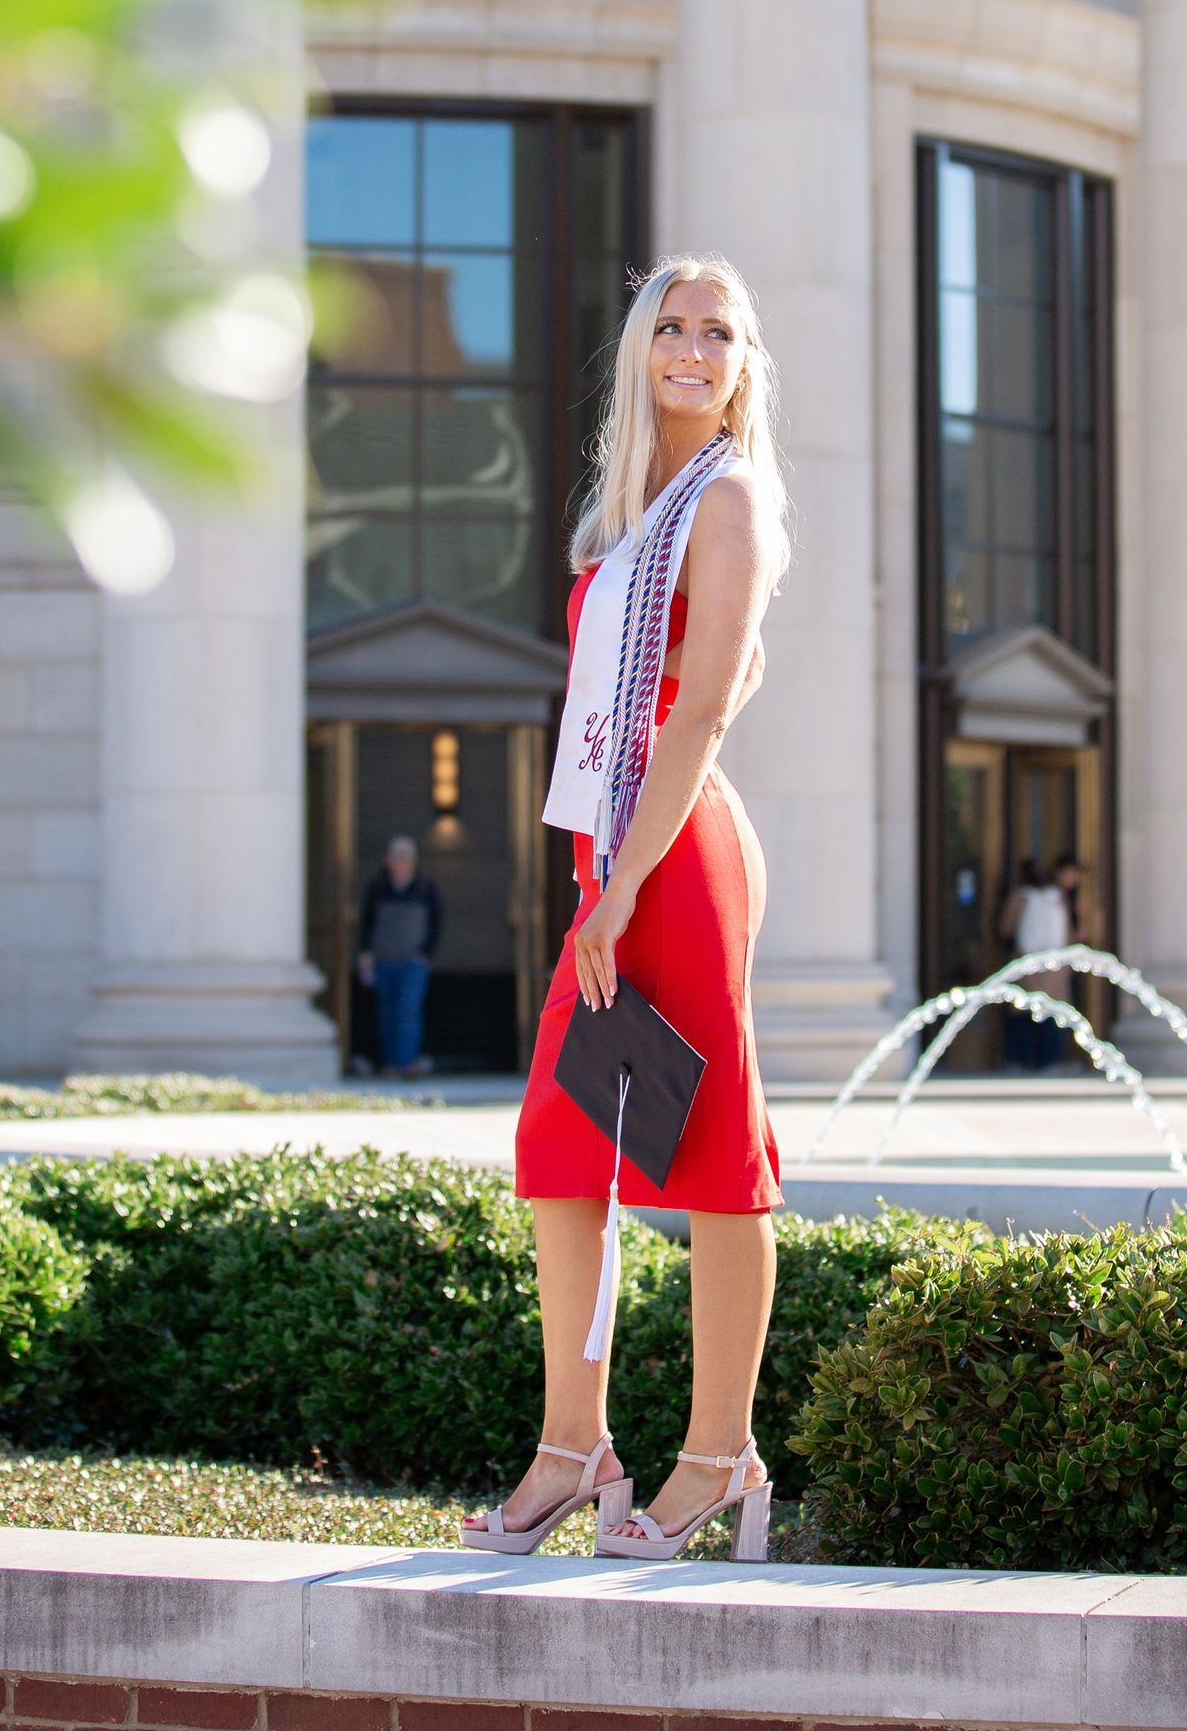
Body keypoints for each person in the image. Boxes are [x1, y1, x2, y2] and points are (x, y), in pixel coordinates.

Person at [464, 256, 784, 1564]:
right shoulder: (638, 508)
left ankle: (718, 1456)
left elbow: (702, 707)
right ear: (642, 351)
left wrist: (629, 884)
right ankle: (574, 1445)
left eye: (718, 330)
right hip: (622, 852)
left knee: (711, 1154)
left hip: (676, 859)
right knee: (562, 1140)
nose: (692, 348)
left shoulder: (732, 500)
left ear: (743, 361)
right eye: (673, 326)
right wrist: (606, 879)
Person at [357, 833, 442, 1077]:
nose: (402, 862)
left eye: (407, 857)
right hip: (383, 960)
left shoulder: (425, 888)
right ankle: (390, 1065)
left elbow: (436, 924)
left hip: (413, 962)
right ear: (387, 860)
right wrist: (365, 953)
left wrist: (425, 954)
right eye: (397, 856)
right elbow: (367, 923)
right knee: (386, 1013)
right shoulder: (377, 888)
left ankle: (407, 1063)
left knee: (408, 1012)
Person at [998, 858, 1072, 1072]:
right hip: (1054, 964)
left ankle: (1023, 1060)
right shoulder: (1058, 898)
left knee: (1023, 1012)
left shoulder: (1020, 897)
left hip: (1026, 961)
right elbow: (1068, 934)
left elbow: (1006, 929)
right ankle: (1051, 1060)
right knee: (1052, 1012)